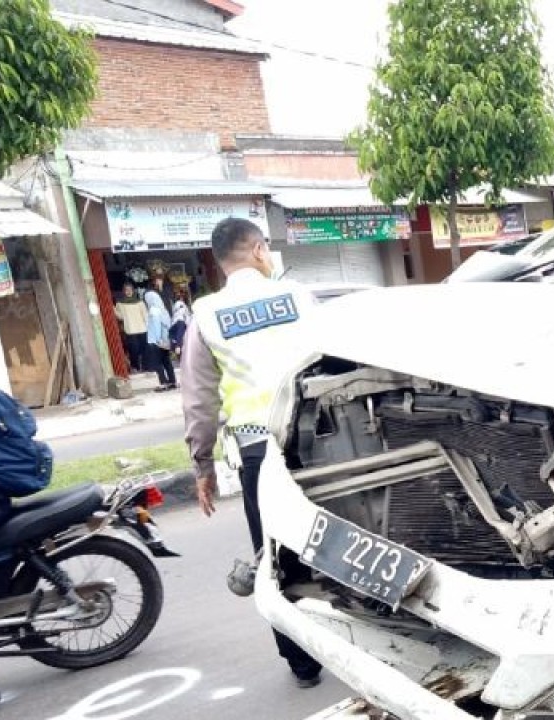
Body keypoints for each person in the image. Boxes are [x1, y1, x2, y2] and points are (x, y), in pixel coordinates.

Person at [181, 217, 324, 688]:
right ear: (260, 250)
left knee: (276, 555)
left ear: (220, 263)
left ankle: (302, 663)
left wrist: (201, 465)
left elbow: (199, 400)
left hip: (258, 450)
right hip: (320, 436)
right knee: (340, 537)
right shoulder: (299, 296)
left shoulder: (205, 315)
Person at [143, 290, 176, 392]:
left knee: (157, 363)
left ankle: (163, 383)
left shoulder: (153, 310)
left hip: (155, 340)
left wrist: (157, 340)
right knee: (166, 361)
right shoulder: (163, 309)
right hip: (165, 341)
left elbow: (156, 326)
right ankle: (172, 381)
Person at [114, 282, 149, 373]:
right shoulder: (120, 303)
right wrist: (113, 309)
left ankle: (146, 367)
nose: (128, 292)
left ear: (133, 291)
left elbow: (145, 315)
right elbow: (120, 316)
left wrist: (148, 326)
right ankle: (135, 367)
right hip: (130, 330)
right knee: (133, 350)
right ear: (124, 291)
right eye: (126, 290)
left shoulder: (140, 302)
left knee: (144, 350)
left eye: (130, 290)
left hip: (142, 329)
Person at [169, 286, 191, 360]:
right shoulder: (180, 316)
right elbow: (180, 332)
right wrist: (178, 345)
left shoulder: (175, 318)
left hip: (178, 341)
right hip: (181, 344)